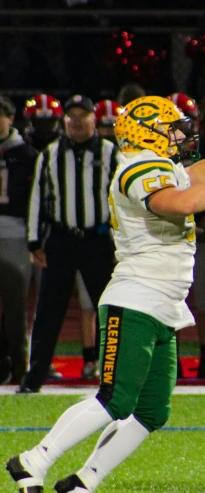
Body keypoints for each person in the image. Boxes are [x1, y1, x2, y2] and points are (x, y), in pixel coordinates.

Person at [6, 96, 205, 493]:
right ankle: (32, 461)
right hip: (136, 296)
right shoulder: (138, 167)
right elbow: (179, 203)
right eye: (173, 128)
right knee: (114, 398)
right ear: (148, 132)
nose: (182, 135)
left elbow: (197, 174)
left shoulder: (155, 163)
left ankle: (82, 480)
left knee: (152, 410)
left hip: (161, 302)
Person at [20, 95, 119, 393]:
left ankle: (114, 377)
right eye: (72, 116)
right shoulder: (49, 154)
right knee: (49, 311)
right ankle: (34, 377)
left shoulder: (111, 152)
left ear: (93, 119)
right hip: (62, 240)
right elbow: (37, 197)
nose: (77, 121)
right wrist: (34, 240)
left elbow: (121, 199)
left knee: (111, 311)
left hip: (98, 239)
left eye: (83, 116)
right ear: (64, 120)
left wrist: (122, 242)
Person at [0, 95, 38, 383]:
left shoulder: (27, 155)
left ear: (11, 118)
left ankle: (19, 365)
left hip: (14, 234)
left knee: (15, 305)